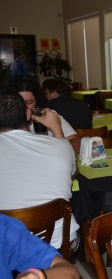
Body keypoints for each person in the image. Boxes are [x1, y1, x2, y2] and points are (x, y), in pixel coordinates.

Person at [0, 90, 80, 251]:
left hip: (6, 250)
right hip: (58, 246)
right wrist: (57, 129)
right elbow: (72, 172)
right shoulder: (61, 146)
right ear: (28, 114)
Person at [8, 78, 81, 154]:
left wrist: (51, 146)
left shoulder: (48, 116)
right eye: (19, 102)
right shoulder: (6, 121)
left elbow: (77, 143)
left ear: (37, 102)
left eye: (29, 103)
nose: (24, 107)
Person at [0, 214, 80, 279]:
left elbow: (72, 272)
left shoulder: (5, 229)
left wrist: (38, 275)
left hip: (40, 252)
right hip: (58, 244)